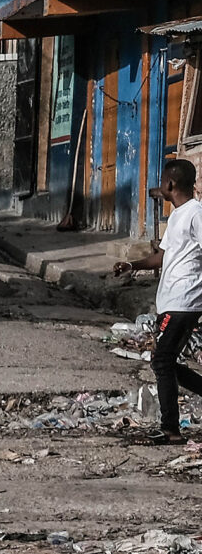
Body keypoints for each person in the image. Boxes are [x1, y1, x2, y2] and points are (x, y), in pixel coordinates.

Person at [119, 158, 202, 445]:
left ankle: (171, 429)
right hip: (172, 301)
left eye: (163, 181)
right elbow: (164, 255)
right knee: (164, 361)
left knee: (162, 360)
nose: (160, 186)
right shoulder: (178, 215)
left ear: (171, 184)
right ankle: (172, 426)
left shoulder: (195, 214)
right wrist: (134, 265)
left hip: (184, 300)